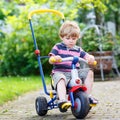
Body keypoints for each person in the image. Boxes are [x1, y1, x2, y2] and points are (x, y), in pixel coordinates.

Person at [49, 20, 98, 111]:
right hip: (60, 72)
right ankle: (62, 100)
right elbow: (51, 59)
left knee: (89, 72)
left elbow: (86, 56)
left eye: (74, 38)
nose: (71, 41)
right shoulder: (58, 47)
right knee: (61, 78)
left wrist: (91, 58)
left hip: (75, 73)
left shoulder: (78, 49)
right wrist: (55, 58)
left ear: (77, 38)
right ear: (62, 37)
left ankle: (87, 97)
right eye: (68, 38)